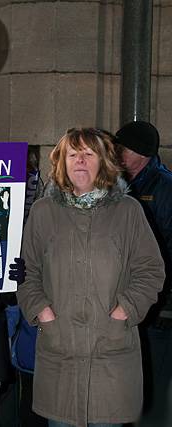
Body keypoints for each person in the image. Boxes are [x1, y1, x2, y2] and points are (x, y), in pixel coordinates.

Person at [16, 127, 165, 427]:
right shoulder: (44, 212)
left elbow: (150, 271)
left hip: (110, 359)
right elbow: (26, 272)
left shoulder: (127, 211)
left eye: (88, 154)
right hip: (60, 358)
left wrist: (123, 312)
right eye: (73, 154)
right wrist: (43, 314)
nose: (80, 161)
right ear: (61, 162)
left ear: (104, 161)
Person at [113, 121, 172, 426]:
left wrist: (155, 297)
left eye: (123, 148)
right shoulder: (116, 184)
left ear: (142, 154)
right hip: (125, 307)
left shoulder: (164, 188)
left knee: (151, 395)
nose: (117, 152)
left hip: (157, 312)